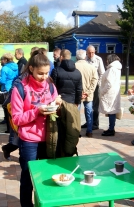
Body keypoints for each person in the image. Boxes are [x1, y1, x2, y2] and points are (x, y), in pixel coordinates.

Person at [11, 50, 61, 207]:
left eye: (47, 73)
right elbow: (17, 118)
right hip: (29, 141)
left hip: (49, 138)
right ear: (31, 69)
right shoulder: (19, 88)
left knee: (48, 176)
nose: (44, 77)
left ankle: (46, 203)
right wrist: (36, 111)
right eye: (41, 73)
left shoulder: (51, 86)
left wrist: (57, 104)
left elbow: (55, 108)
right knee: (28, 178)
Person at [50, 49, 82, 157]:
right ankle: (70, 151)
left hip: (59, 104)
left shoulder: (56, 70)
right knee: (70, 129)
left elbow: (53, 88)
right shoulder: (77, 72)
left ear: (61, 57)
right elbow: (79, 90)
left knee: (60, 129)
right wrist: (77, 103)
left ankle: (60, 153)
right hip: (72, 104)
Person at [75, 49, 98, 137]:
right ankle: (89, 131)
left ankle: (77, 131)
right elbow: (94, 81)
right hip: (89, 94)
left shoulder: (74, 66)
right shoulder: (92, 67)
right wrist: (88, 92)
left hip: (78, 94)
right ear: (85, 56)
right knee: (89, 113)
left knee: (76, 113)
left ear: (77, 57)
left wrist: (80, 92)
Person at [82, 45, 105, 130]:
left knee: (95, 105)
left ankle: (95, 123)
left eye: (93, 52)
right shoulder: (84, 60)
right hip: (87, 86)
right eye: (89, 53)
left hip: (95, 86)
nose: (91, 54)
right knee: (87, 104)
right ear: (86, 52)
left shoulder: (98, 59)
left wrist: (97, 84)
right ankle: (88, 122)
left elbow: (102, 73)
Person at [99, 54, 122, 136]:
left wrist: (102, 91)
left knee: (111, 111)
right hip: (113, 92)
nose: (106, 61)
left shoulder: (112, 69)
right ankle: (111, 128)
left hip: (110, 93)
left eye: (107, 60)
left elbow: (109, 83)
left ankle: (111, 129)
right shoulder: (116, 68)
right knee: (112, 110)